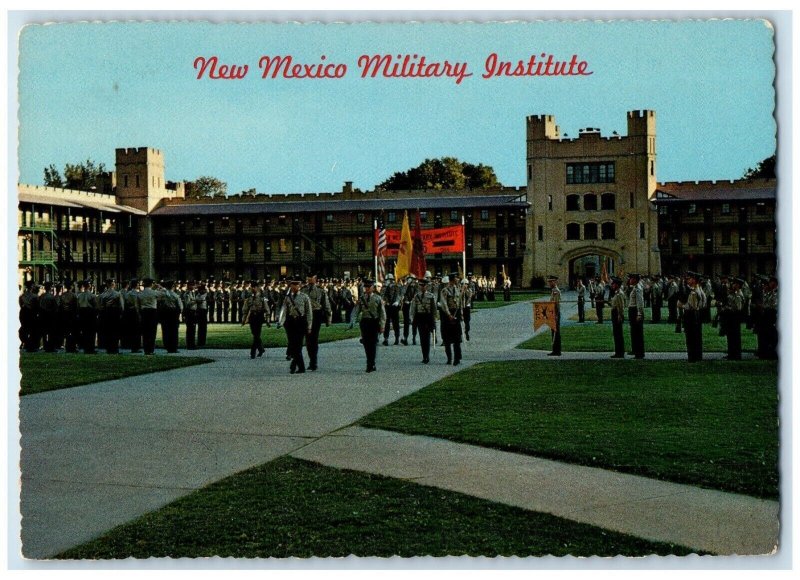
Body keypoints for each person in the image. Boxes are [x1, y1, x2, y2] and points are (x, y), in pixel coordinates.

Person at [349, 279, 386, 372]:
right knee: (366, 343)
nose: (367, 289)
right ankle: (369, 361)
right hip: (365, 322)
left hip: (374, 322)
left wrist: (382, 325)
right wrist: (352, 321)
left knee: (372, 344)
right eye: (365, 287)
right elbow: (356, 311)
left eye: (369, 287)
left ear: (373, 288)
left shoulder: (377, 298)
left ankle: (371, 363)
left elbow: (382, 313)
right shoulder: (362, 298)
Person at [279, 279, 313, 374]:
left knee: (298, 345)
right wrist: (281, 322)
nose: (294, 287)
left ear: (300, 286)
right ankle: (298, 365)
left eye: (296, 285)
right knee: (293, 344)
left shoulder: (305, 297)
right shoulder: (288, 298)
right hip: (290, 322)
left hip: (300, 321)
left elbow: (309, 313)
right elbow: (284, 310)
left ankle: (296, 364)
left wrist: (309, 325)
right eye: (292, 285)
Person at [301, 274, 332, 371]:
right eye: (308, 279)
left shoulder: (320, 291)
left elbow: (326, 305)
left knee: (313, 338)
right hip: (305, 315)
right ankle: (312, 359)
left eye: (311, 279)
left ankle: (313, 361)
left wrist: (328, 319)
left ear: (315, 280)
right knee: (308, 339)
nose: (309, 281)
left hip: (316, 314)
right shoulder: (303, 290)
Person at [410, 276, 438, 363]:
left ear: (427, 286)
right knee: (422, 338)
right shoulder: (416, 296)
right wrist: (412, 318)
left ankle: (427, 355)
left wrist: (434, 319)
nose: (422, 287)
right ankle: (424, 356)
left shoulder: (431, 296)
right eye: (421, 285)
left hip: (428, 317)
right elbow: (413, 308)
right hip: (420, 318)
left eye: (424, 285)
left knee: (427, 337)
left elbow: (434, 309)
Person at [242, 280, 271, 359]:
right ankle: (261, 349)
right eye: (252, 287)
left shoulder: (262, 298)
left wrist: (268, 320)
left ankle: (253, 351)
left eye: (254, 287)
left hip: (259, 316)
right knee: (254, 334)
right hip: (252, 316)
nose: (253, 289)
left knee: (257, 334)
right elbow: (245, 310)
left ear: (257, 288)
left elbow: (267, 309)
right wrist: (244, 320)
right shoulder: (249, 298)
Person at [439, 274, 463, 365]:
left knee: (457, 338)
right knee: (447, 339)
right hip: (447, 316)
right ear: (452, 279)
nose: (458, 279)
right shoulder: (445, 290)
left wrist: (460, 313)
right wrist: (449, 314)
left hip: (455, 314)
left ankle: (457, 358)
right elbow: (444, 303)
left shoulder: (457, 289)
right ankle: (449, 358)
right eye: (456, 278)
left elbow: (459, 303)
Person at [720, 277, 745, 360]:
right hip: (731, 318)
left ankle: (735, 355)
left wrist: (727, 308)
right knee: (731, 337)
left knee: (735, 337)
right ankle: (731, 353)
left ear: (738, 285)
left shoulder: (738, 295)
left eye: (734, 283)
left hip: (734, 318)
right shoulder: (734, 293)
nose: (732, 285)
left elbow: (738, 308)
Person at [682, 272, 704, 362]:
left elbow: (693, 306)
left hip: (691, 314)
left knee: (691, 337)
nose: (688, 280)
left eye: (689, 278)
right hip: (696, 314)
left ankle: (692, 357)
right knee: (696, 337)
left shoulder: (694, 291)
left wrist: (682, 305)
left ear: (694, 280)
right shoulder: (699, 289)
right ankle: (697, 356)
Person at [98, 279, 124, 354]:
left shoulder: (103, 294)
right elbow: (121, 306)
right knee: (115, 332)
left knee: (108, 331)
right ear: (113, 284)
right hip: (115, 313)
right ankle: (115, 349)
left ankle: (109, 348)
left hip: (106, 313)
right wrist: (121, 314)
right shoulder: (117, 294)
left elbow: (101, 306)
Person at [157, 280, 183, 353]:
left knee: (166, 330)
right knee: (174, 331)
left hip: (165, 313)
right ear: (173, 286)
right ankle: (173, 347)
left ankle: (167, 346)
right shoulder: (175, 295)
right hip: (173, 313)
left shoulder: (163, 294)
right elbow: (180, 306)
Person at [138, 277, 160, 355]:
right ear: (151, 284)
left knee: (145, 332)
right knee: (152, 331)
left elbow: (138, 305)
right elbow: (164, 294)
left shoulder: (140, 293)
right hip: (152, 311)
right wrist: (159, 287)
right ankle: (151, 349)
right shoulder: (154, 292)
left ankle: (146, 349)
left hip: (144, 312)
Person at [76, 280, 97, 354]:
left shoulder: (79, 296)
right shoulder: (92, 296)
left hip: (82, 313)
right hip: (90, 313)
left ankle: (85, 347)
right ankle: (91, 348)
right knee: (91, 332)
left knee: (84, 331)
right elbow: (95, 306)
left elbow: (77, 307)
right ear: (89, 286)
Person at [627, 273, 645, 359]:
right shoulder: (634, 287)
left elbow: (640, 302)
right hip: (632, 310)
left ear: (634, 279)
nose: (629, 280)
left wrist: (639, 313)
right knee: (634, 332)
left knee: (637, 333)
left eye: (631, 278)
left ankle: (639, 353)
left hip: (635, 311)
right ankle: (636, 350)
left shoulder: (638, 288)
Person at [38, 282, 59, 352]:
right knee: (51, 331)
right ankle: (51, 347)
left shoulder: (41, 296)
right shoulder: (51, 297)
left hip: (42, 315)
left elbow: (39, 306)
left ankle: (45, 345)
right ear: (50, 288)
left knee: (44, 331)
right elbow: (55, 307)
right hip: (50, 315)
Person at [382, 273, 402, 346]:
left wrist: (397, 301)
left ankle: (397, 338)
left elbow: (399, 294)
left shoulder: (397, 286)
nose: (389, 281)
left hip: (394, 306)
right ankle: (386, 338)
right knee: (386, 323)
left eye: (390, 280)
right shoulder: (384, 286)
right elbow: (383, 295)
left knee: (395, 323)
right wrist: (385, 301)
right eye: (388, 280)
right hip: (387, 306)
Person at [122, 278, 142, 353]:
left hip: (129, 313)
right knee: (137, 331)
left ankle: (133, 346)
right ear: (136, 284)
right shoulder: (135, 293)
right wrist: (139, 315)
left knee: (132, 330)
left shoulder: (128, 293)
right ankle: (136, 347)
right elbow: (136, 305)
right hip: (135, 312)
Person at [608, 276, 626, 358]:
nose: (612, 285)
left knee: (618, 333)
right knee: (616, 333)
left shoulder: (619, 294)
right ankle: (618, 351)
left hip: (617, 314)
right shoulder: (616, 293)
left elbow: (621, 306)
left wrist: (620, 315)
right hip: (615, 313)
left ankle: (620, 352)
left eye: (613, 284)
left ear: (617, 285)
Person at [60, 279, 79, 353]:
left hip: (64, 315)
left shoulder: (62, 295)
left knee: (66, 331)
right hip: (72, 315)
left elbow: (61, 306)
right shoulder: (74, 295)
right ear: (71, 286)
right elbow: (76, 306)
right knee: (73, 332)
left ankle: (67, 347)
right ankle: (72, 347)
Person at [400, 274, 419, 346]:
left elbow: (417, 294)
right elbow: (403, 293)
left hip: (414, 305)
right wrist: (406, 285)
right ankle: (405, 338)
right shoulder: (405, 285)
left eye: (411, 278)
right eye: (408, 278)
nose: (410, 280)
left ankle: (414, 337)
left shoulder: (416, 285)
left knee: (414, 322)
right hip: (406, 305)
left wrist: (412, 301)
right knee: (406, 322)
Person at [546, 275, 561, 356]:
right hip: (553, 313)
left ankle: (557, 351)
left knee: (556, 332)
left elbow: (556, 304)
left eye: (551, 282)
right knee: (554, 332)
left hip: (555, 313)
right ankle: (555, 350)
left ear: (554, 282)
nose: (549, 283)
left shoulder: (556, 291)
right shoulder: (553, 291)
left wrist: (556, 314)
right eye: (549, 282)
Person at [183, 280, 198, 350]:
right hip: (189, 312)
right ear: (189, 286)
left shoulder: (192, 293)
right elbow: (187, 304)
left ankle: (192, 344)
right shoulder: (187, 294)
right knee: (190, 329)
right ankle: (190, 344)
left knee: (193, 329)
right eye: (192, 285)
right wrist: (196, 301)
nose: (194, 286)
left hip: (193, 312)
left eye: (194, 285)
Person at [196, 282, 209, 346]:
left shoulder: (201, 295)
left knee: (203, 327)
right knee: (202, 327)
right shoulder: (200, 295)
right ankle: (201, 341)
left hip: (203, 311)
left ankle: (202, 341)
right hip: (200, 311)